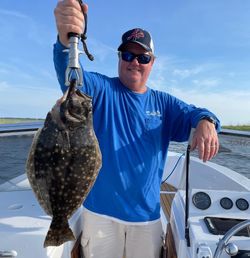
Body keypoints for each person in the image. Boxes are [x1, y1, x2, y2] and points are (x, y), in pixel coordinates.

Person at [54, 1, 220, 257]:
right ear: (120, 58)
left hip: (146, 217)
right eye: (128, 55)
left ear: (152, 62)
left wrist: (207, 121)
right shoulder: (100, 89)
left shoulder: (164, 103)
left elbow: (194, 113)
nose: (135, 62)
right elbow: (72, 77)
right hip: (98, 212)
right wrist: (66, 41)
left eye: (143, 57)